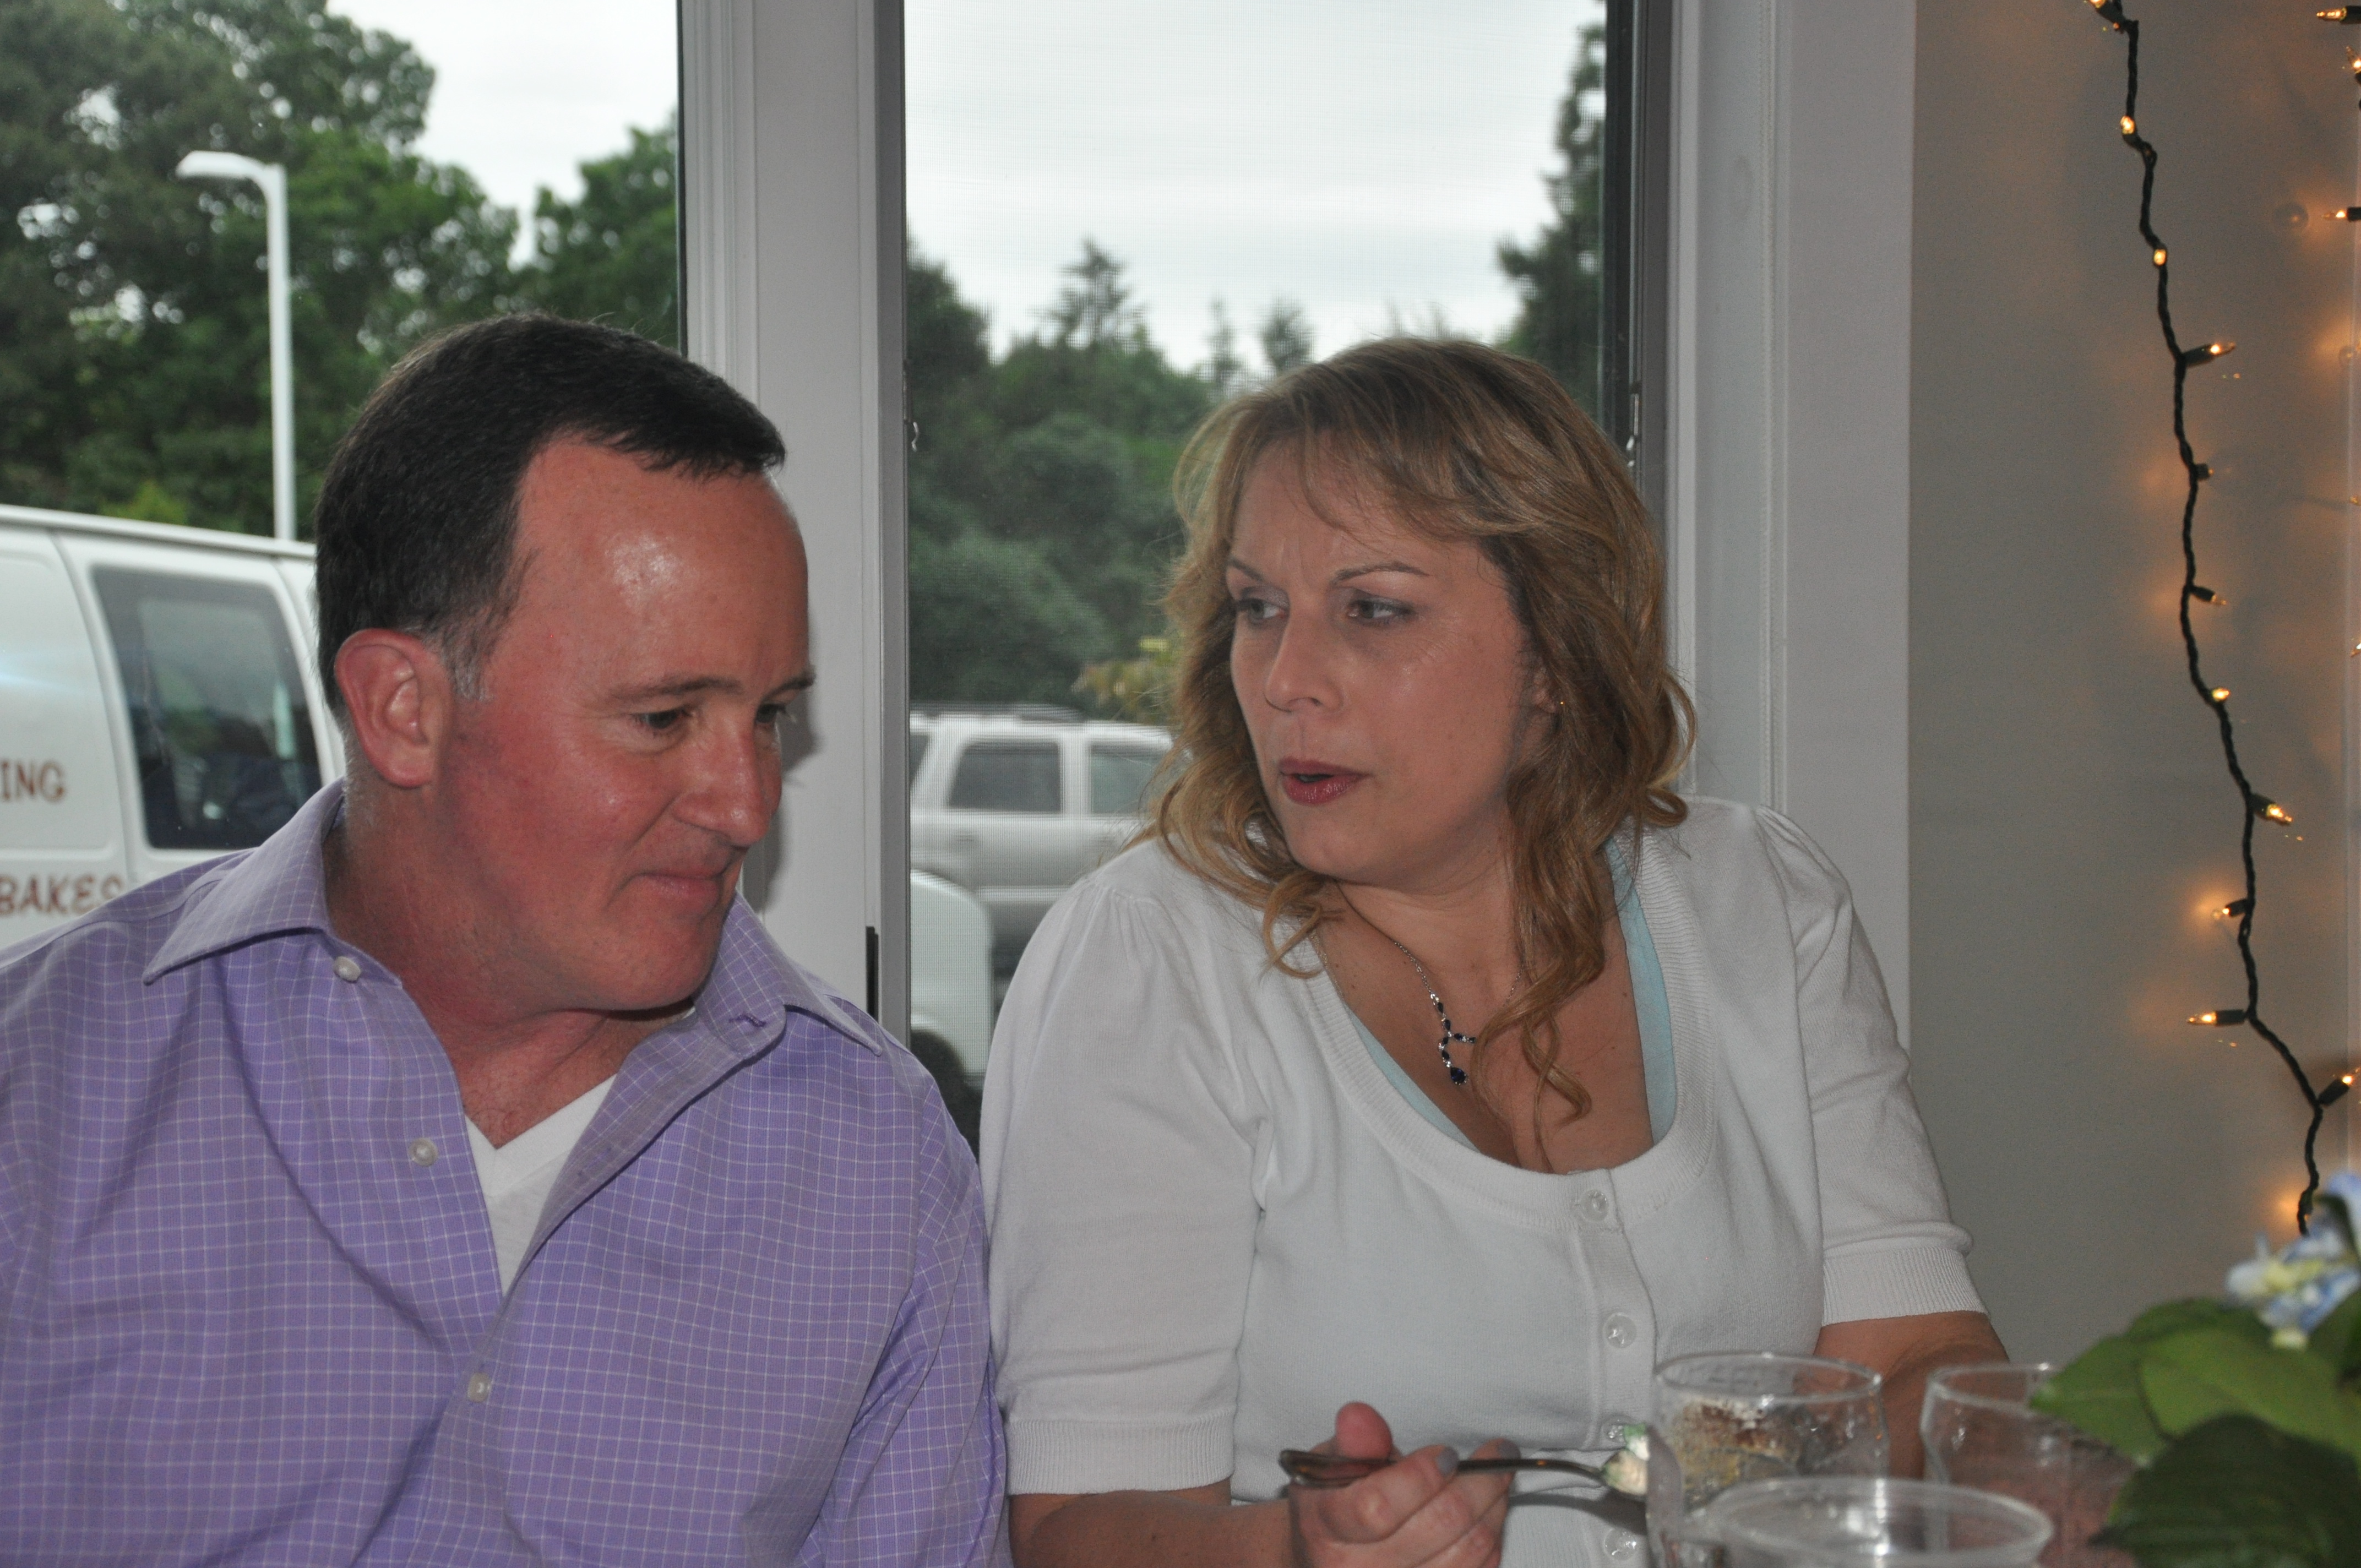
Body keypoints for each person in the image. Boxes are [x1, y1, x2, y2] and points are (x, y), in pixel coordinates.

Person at [0, 315, 1007, 1565]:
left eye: (769, 717)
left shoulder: (873, 1159)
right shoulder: (44, 1096)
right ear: (402, 708)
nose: (746, 803)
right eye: (663, 717)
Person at [981, 339, 2004, 1568]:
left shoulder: (1761, 903)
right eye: (1258, 608)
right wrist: (1296, 1553)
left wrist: (2051, 1486)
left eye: (1373, 609)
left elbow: (1915, 1358)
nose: (1287, 679)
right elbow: (1075, 1526)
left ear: (1557, 656)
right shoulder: (1154, 959)